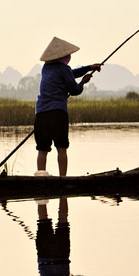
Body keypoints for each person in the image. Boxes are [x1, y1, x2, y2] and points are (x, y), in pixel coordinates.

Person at [34, 36, 101, 176]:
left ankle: (40, 177)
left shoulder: (46, 68)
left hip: (41, 113)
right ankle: (62, 179)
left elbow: (70, 73)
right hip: (58, 112)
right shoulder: (64, 69)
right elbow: (75, 90)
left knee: (42, 149)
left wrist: (89, 67)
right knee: (61, 147)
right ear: (64, 56)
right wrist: (83, 82)